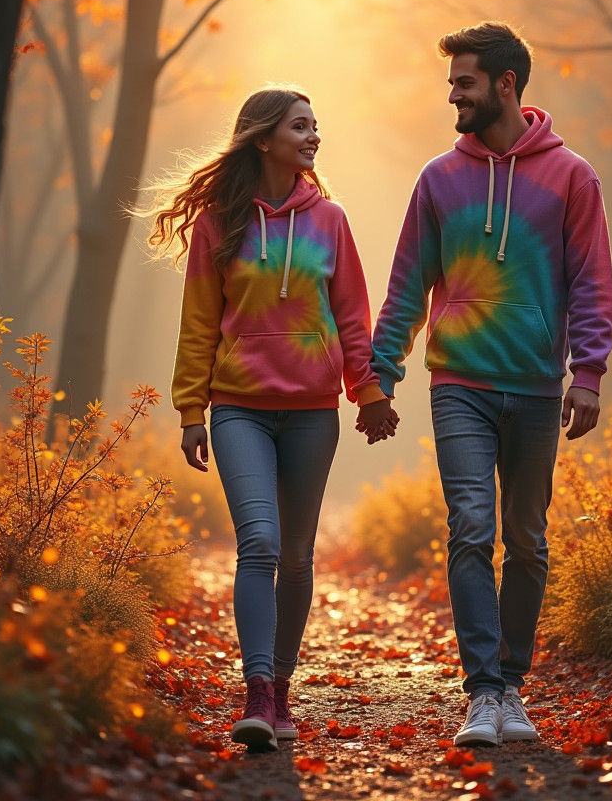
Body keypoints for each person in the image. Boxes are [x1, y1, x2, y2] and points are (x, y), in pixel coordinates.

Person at [363, 22, 612, 747]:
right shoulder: (439, 179)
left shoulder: (572, 176)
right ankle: (482, 693)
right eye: (452, 84)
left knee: (527, 540)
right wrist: (381, 376)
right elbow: (408, 285)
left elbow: (591, 280)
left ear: (506, 84)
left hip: (536, 387)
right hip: (460, 383)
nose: (454, 96)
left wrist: (588, 373)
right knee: (471, 527)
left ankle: (511, 685)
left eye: (465, 83)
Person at [148, 87, 398, 752]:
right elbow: (199, 322)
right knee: (259, 542)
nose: (314, 136)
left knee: (296, 553)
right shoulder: (219, 224)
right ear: (263, 140)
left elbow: (352, 317)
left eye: (316, 126)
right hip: (239, 409)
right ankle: (258, 692)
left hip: (313, 412)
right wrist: (191, 408)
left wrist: (369, 392)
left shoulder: (331, 220)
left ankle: (282, 688)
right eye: (300, 126)